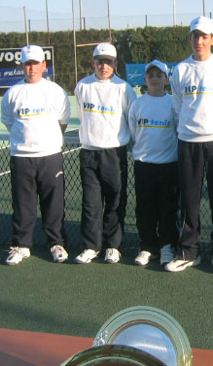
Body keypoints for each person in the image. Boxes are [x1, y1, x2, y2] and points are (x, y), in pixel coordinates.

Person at [165, 16, 213, 274]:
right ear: (190, 38)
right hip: (188, 143)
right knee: (189, 200)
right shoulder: (180, 70)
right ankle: (189, 251)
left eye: (204, 36)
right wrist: (192, 129)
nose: (199, 40)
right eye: (195, 36)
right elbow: (178, 105)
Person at [1, 44, 70, 265]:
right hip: (21, 157)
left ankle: (56, 243)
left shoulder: (55, 91)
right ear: (23, 66)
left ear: (44, 65)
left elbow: (63, 121)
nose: (31, 68)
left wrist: (47, 142)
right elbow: (9, 122)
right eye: (27, 64)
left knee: (54, 204)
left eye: (36, 64)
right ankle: (22, 245)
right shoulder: (12, 94)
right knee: (23, 204)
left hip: (50, 156)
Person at [74, 43, 137, 264]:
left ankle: (113, 246)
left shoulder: (124, 89)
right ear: (93, 62)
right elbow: (83, 116)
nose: (104, 66)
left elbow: (132, 119)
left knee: (115, 200)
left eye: (108, 62)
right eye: (100, 61)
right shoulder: (82, 86)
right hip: (89, 153)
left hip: (114, 153)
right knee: (91, 203)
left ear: (115, 64)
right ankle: (91, 246)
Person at [128, 60, 179, 266]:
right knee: (145, 208)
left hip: (169, 165)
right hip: (144, 165)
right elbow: (134, 131)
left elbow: (178, 131)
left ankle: (167, 246)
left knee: (168, 208)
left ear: (167, 80)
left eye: (159, 75)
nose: (155, 79)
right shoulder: (137, 104)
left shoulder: (174, 103)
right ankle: (147, 246)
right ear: (145, 79)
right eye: (151, 75)